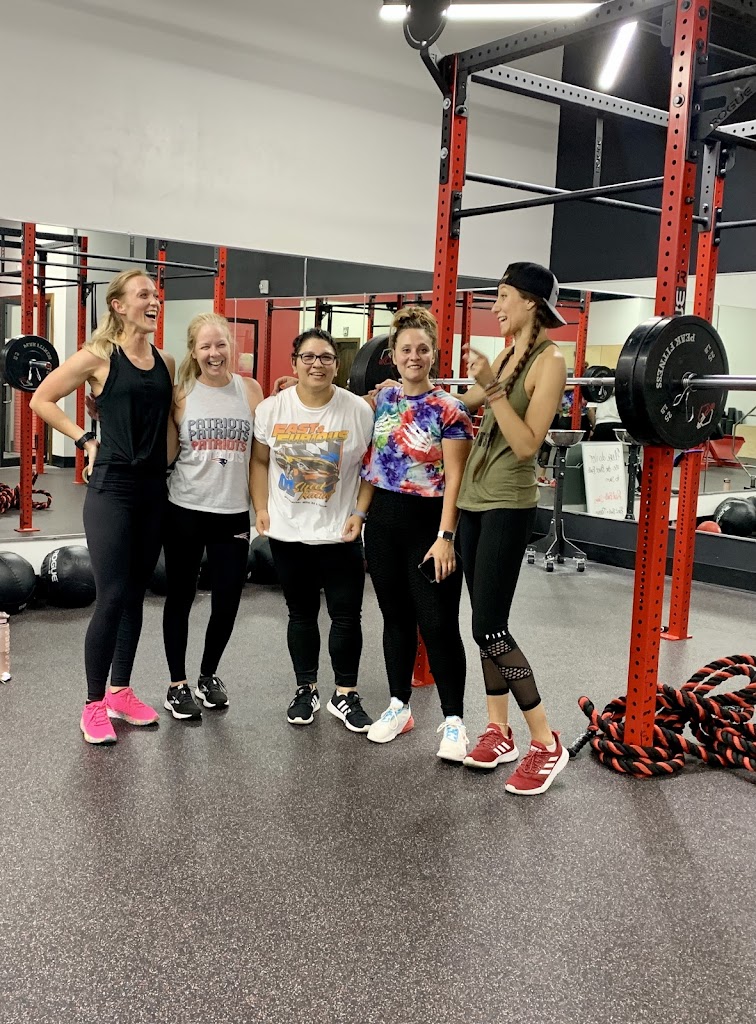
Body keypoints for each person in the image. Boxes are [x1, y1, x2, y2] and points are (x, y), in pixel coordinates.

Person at [30, 269, 174, 745]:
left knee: (135, 595)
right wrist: (84, 439)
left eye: (155, 295)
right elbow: (42, 399)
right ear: (118, 304)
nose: (153, 301)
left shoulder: (165, 359)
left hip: (154, 490)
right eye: (143, 294)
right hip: (112, 488)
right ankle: (93, 704)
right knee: (111, 596)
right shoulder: (98, 356)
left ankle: (120, 692)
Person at [454, 261, 570, 795]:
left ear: (530, 302)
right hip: (473, 499)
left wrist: (493, 389)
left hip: (508, 502)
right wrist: (405, 391)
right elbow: (465, 404)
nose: (496, 306)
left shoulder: (551, 361)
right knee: (486, 622)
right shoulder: (505, 354)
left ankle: (545, 742)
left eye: (503, 296)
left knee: (489, 628)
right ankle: (498, 731)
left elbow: (526, 445)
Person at [358, 306, 474, 760]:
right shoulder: (384, 400)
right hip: (383, 522)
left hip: (430, 525)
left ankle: (454, 721)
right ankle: (398, 706)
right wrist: (360, 516)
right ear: (392, 353)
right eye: (406, 349)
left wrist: (446, 537)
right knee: (395, 618)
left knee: (439, 622)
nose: (414, 356)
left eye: (422, 349)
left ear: (434, 353)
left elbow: (456, 477)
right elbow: (373, 464)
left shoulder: (450, 409)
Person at [251, 328, 375, 731]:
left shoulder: (357, 410)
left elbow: (370, 468)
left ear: (337, 366)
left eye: (325, 357)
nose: (316, 364)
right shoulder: (271, 409)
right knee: (300, 614)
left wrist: (359, 513)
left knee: (346, 615)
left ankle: (345, 694)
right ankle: (306, 689)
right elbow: (259, 461)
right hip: (288, 531)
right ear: (294, 363)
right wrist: (261, 508)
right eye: (308, 357)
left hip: (340, 531)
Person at [161, 313, 263, 720]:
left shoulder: (250, 390)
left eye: (220, 344)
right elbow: (166, 452)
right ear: (193, 351)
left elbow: (266, 447)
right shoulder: (180, 393)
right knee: (180, 597)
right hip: (185, 508)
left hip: (232, 511)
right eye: (205, 346)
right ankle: (177, 684)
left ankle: (208, 675)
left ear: (230, 346)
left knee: (227, 601)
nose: (214, 353)